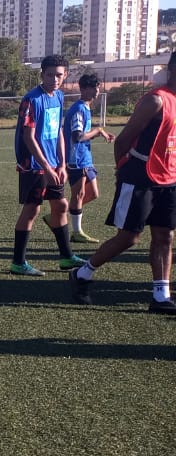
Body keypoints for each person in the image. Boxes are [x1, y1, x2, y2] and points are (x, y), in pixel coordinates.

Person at [69, 51, 176, 314]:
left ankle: (161, 296)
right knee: (129, 238)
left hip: (170, 179)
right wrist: (122, 170)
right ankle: (82, 272)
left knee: (165, 236)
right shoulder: (156, 101)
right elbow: (124, 140)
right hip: (140, 176)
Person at [10, 55, 85, 277]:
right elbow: (28, 137)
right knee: (33, 209)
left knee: (61, 206)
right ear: (42, 74)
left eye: (59, 75)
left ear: (65, 76)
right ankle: (18, 262)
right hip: (34, 165)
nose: (54, 79)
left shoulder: (59, 97)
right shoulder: (31, 100)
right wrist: (47, 166)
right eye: (50, 74)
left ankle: (66, 257)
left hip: (53, 164)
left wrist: (61, 163)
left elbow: (59, 132)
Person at [65, 74, 115, 243]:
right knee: (78, 194)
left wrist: (97, 133)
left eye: (98, 87)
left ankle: (61, 215)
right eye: (93, 87)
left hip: (85, 158)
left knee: (93, 193)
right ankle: (76, 232)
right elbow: (77, 136)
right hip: (76, 158)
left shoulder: (84, 108)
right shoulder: (79, 109)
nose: (96, 91)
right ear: (83, 89)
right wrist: (98, 131)